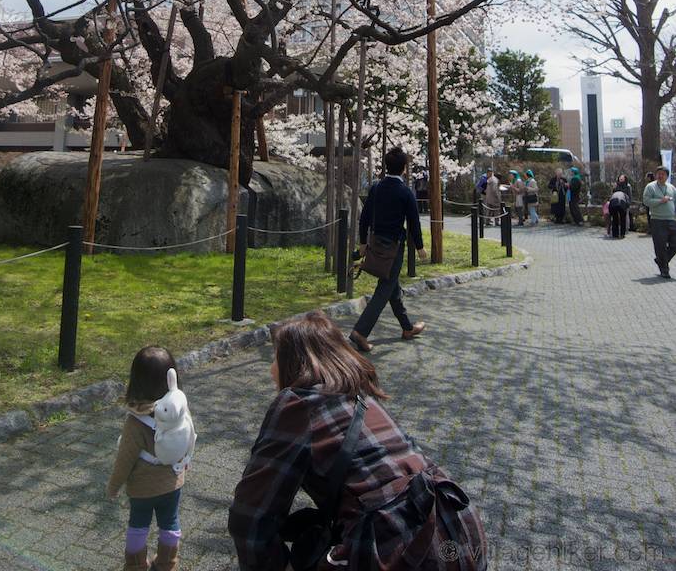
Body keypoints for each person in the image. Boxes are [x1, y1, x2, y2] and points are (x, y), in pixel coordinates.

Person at [228, 311, 487, 571]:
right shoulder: (361, 398)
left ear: (294, 363)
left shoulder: (298, 405)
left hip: (395, 546)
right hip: (458, 527)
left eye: (274, 358)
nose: (270, 368)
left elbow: (250, 518)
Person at [107, 345, 189, 571]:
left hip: (142, 488)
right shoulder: (179, 411)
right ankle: (167, 563)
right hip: (173, 482)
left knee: (138, 526)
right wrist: (184, 466)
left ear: (136, 381)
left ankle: (135, 565)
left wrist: (114, 486)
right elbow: (189, 439)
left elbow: (125, 460)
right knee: (170, 523)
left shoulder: (135, 423)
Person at [348, 146, 426, 352]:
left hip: (376, 243)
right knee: (385, 289)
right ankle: (360, 332)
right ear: (404, 169)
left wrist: (363, 243)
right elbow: (414, 222)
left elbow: (364, 218)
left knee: (392, 287)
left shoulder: (376, 188)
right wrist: (420, 247)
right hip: (394, 247)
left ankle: (407, 328)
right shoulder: (405, 192)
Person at [642, 166, 676, 279]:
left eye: (663, 174)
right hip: (657, 220)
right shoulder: (650, 187)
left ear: (667, 176)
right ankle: (664, 270)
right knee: (660, 246)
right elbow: (646, 201)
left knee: (674, 244)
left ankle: (661, 260)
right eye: (658, 174)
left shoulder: (671, 188)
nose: (660, 176)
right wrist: (661, 201)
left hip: (671, 219)